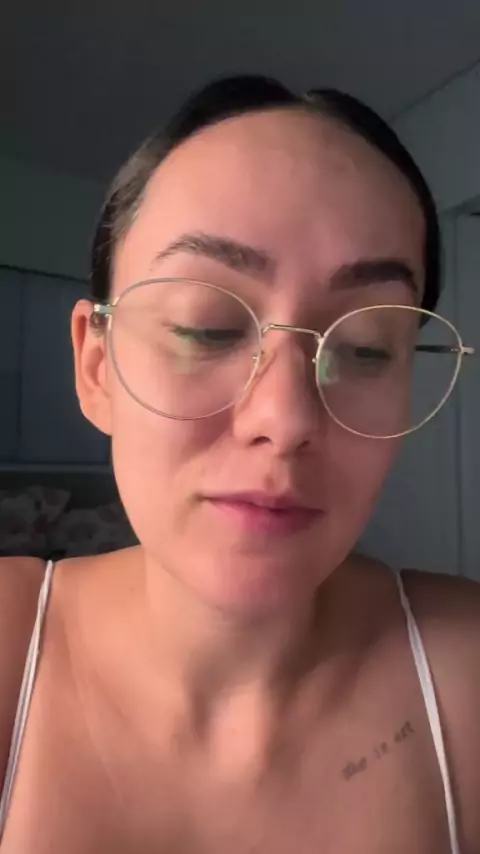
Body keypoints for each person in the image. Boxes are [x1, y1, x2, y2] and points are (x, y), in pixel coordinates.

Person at [0, 74, 479, 854]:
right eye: (208, 327)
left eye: (365, 347)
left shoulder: (466, 676)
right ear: (96, 367)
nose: (286, 421)